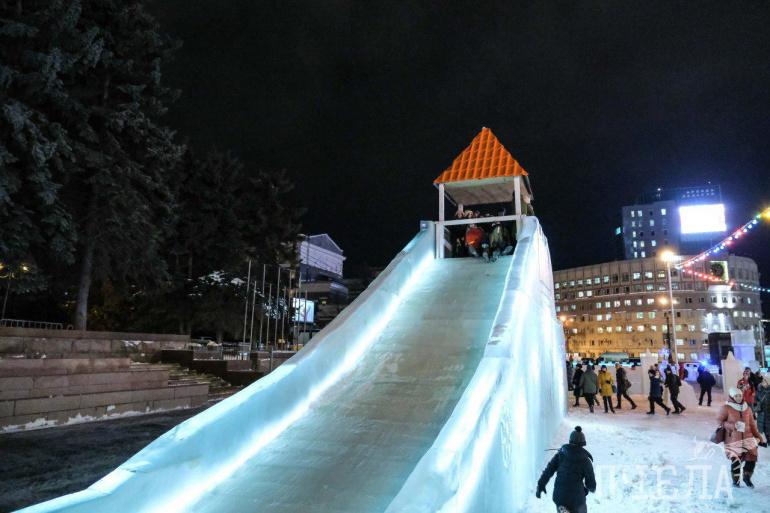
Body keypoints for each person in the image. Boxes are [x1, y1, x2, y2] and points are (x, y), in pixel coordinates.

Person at [536, 426, 596, 513]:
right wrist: (588, 489)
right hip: (577, 500)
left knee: (562, 504)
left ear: (570, 441)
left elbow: (548, 470)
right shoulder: (585, 461)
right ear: (582, 443)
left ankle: (563, 508)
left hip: (560, 496)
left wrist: (541, 485)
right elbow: (591, 485)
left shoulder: (561, 455)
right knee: (580, 507)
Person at [716, 387, 762, 487]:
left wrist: (759, 438)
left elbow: (752, 425)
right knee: (736, 461)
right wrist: (732, 426)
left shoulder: (747, 408)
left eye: (740, 395)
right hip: (733, 439)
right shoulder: (726, 408)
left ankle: (747, 478)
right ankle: (735, 481)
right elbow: (719, 421)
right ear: (731, 396)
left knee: (752, 459)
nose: (738, 398)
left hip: (748, 438)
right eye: (736, 396)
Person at [756, 374, 770, 448]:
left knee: (768, 429)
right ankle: (767, 440)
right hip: (761, 414)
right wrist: (757, 405)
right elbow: (756, 400)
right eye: (763, 381)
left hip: (768, 414)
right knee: (763, 429)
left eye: (765, 381)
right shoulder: (759, 390)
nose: (763, 382)